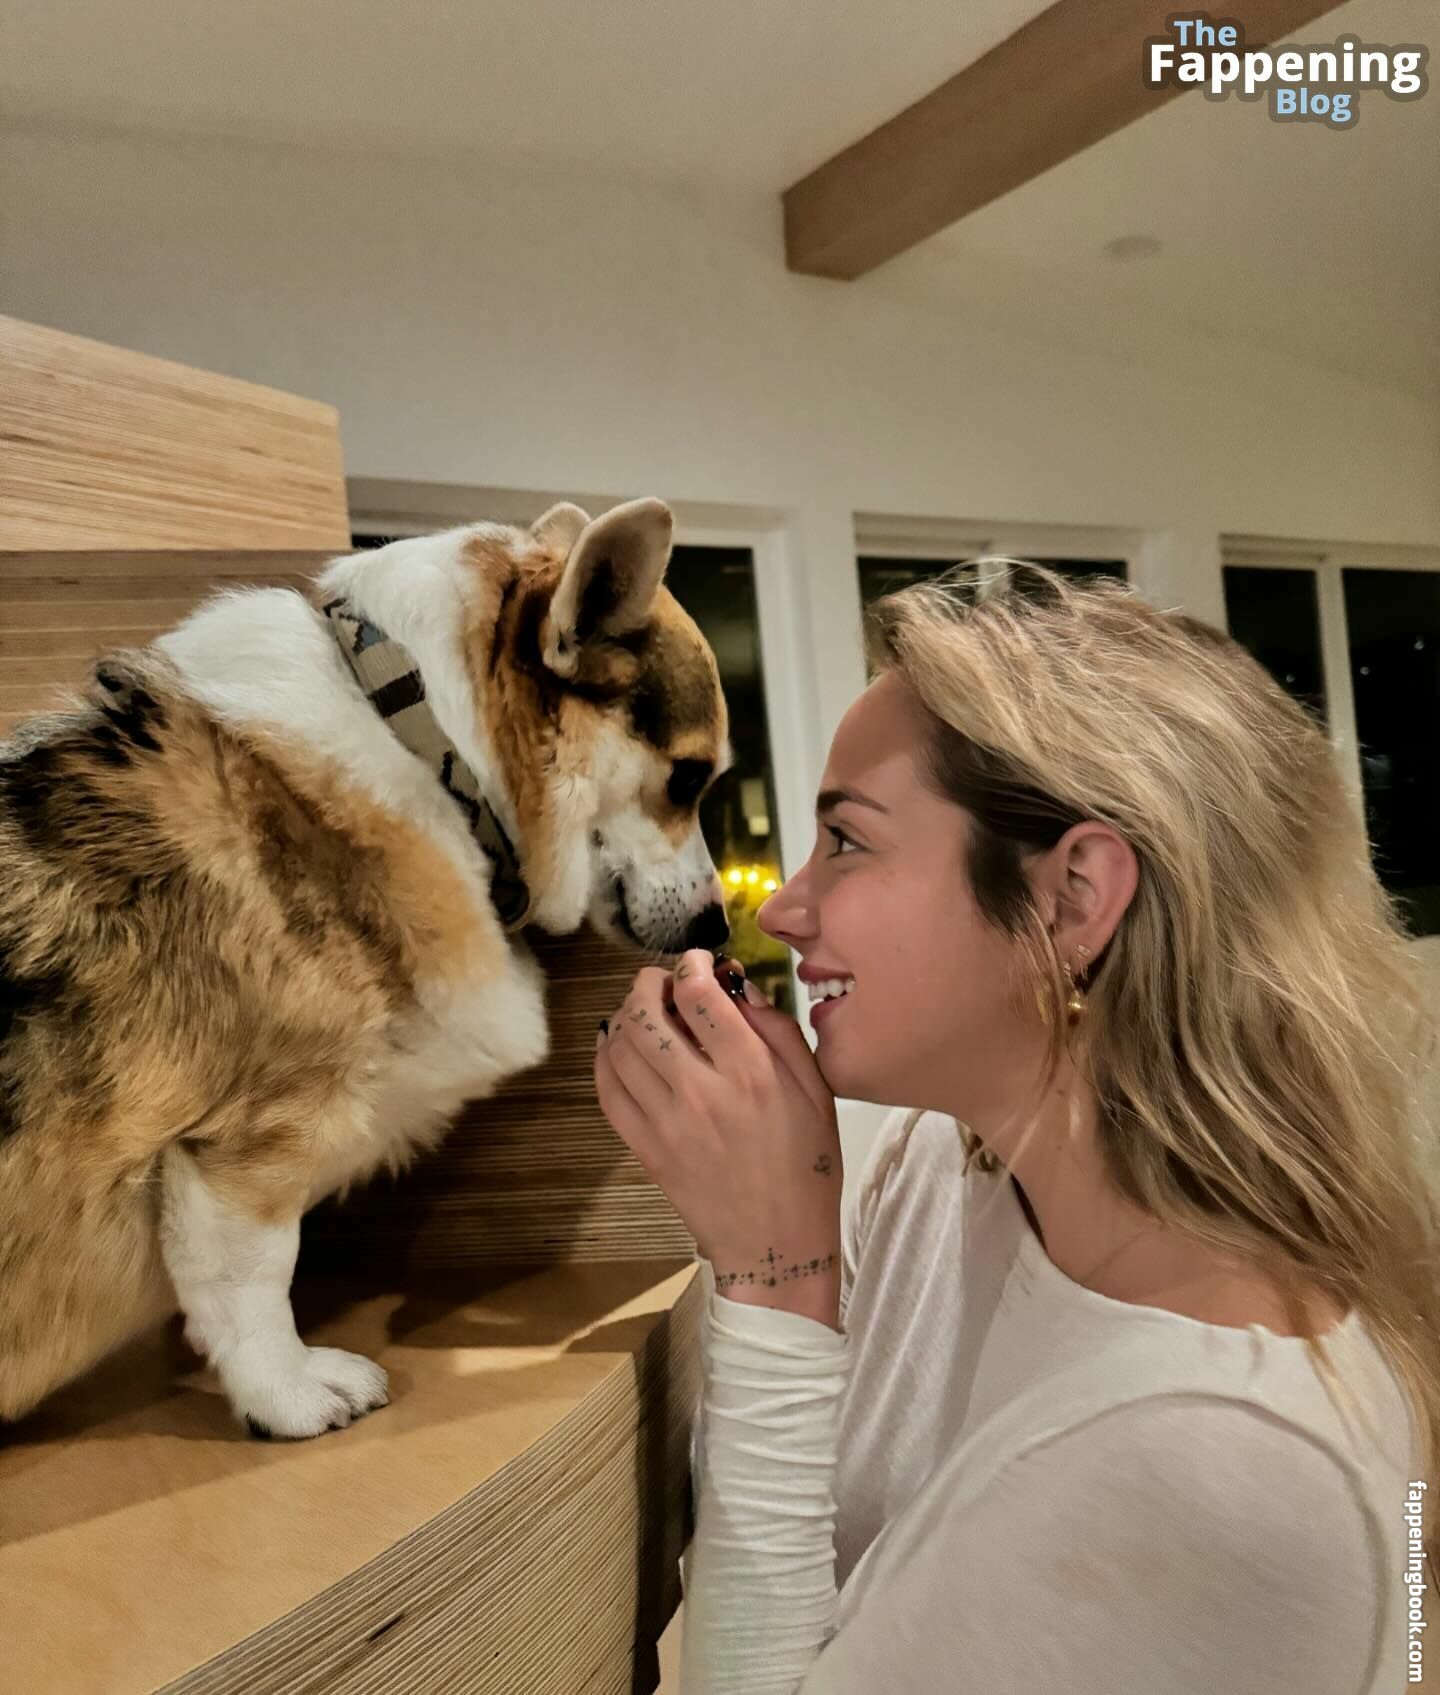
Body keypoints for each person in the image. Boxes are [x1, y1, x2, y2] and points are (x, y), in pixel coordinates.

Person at [593, 562, 1437, 1695]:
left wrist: (775, 1272)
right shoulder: (940, 1171)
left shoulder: (1227, 1457)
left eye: (847, 841)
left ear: (1074, 896)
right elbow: (791, 1524)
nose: (784, 909)